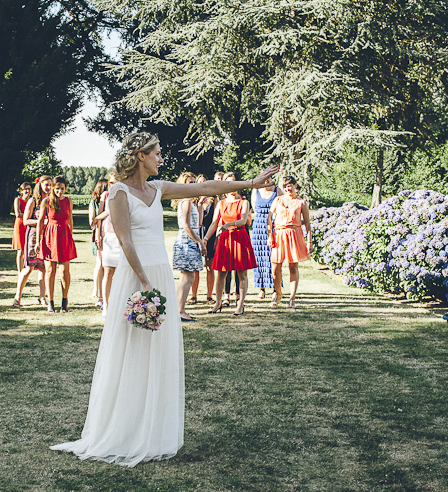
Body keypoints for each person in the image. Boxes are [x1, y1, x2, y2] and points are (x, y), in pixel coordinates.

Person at [50, 131, 278, 467]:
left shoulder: (158, 188)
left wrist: (251, 183)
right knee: (130, 350)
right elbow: (126, 242)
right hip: (136, 277)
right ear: (140, 156)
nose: (161, 157)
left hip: (158, 275)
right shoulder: (118, 193)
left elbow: (205, 189)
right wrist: (144, 282)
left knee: (158, 352)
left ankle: (150, 429)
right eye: (157, 152)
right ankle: (122, 429)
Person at [204, 173, 258, 316]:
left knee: (242, 274)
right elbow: (215, 223)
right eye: (227, 183)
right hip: (225, 240)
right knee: (221, 273)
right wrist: (205, 238)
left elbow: (243, 220)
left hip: (240, 237)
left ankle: (240, 304)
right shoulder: (221, 203)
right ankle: (218, 303)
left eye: (233, 183)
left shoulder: (244, 202)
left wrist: (228, 224)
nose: (230, 187)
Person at [268, 175, 312, 309]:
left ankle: (292, 298)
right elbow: (269, 217)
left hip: (294, 234)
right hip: (279, 234)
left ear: (295, 185)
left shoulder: (301, 202)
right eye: (285, 185)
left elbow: (308, 224)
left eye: (290, 185)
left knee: (293, 267)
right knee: (275, 267)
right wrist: (270, 234)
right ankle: (278, 293)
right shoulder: (278, 200)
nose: (288, 188)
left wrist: (309, 242)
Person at [37, 176, 77, 313]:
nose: (60, 191)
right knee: (50, 270)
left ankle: (65, 301)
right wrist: (38, 240)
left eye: (62, 189)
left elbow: (70, 219)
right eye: (58, 188)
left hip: (64, 236)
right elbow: (40, 221)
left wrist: (70, 237)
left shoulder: (68, 201)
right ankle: (51, 302)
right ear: (53, 188)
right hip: (50, 236)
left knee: (64, 271)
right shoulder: (46, 201)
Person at [172, 172, 205, 322]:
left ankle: (178, 309)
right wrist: (199, 241)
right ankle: (180, 310)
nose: (193, 185)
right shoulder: (185, 201)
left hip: (190, 239)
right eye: (189, 183)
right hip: (187, 241)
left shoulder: (191, 202)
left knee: (186, 276)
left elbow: (197, 223)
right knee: (188, 276)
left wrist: (200, 206)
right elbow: (186, 226)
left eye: (194, 182)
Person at [13, 175, 51, 307]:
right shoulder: (33, 201)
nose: (48, 188)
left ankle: (42, 297)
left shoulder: (51, 200)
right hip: (33, 236)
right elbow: (25, 220)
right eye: (46, 185)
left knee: (44, 268)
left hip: (46, 236)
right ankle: (18, 296)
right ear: (40, 185)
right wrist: (41, 222)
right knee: (29, 267)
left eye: (50, 185)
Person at [251, 182, 282, 298]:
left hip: (273, 225)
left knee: (273, 258)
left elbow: (282, 205)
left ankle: (276, 288)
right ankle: (261, 288)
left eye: (269, 178)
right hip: (259, 226)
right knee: (258, 258)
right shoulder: (256, 191)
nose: (266, 181)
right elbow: (254, 207)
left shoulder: (277, 191)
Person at [96, 173, 120, 317]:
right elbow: (101, 214)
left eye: (115, 183)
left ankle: (117, 303)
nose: (113, 185)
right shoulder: (105, 195)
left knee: (121, 272)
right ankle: (106, 305)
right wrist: (98, 234)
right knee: (108, 271)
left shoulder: (126, 194)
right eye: (111, 183)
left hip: (122, 236)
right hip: (109, 236)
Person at [194, 173, 217, 305]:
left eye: (204, 182)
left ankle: (209, 296)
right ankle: (194, 296)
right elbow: (197, 221)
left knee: (210, 266)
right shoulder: (193, 201)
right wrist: (199, 204)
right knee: (196, 267)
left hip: (210, 233)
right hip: (197, 233)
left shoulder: (214, 201)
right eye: (199, 182)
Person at [89, 179, 108, 308]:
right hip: (99, 234)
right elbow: (92, 220)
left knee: (102, 264)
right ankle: (96, 289)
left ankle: (99, 290)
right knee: (99, 264)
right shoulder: (94, 202)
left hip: (109, 234)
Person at [11, 182, 32, 272]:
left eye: (29, 189)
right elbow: (17, 214)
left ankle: (25, 269)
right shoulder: (18, 200)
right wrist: (28, 216)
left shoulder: (31, 201)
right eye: (25, 189)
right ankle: (20, 272)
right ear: (21, 191)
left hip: (28, 225)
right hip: (20, 225)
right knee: (20, 249)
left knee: (27, 249)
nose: (27, 191)